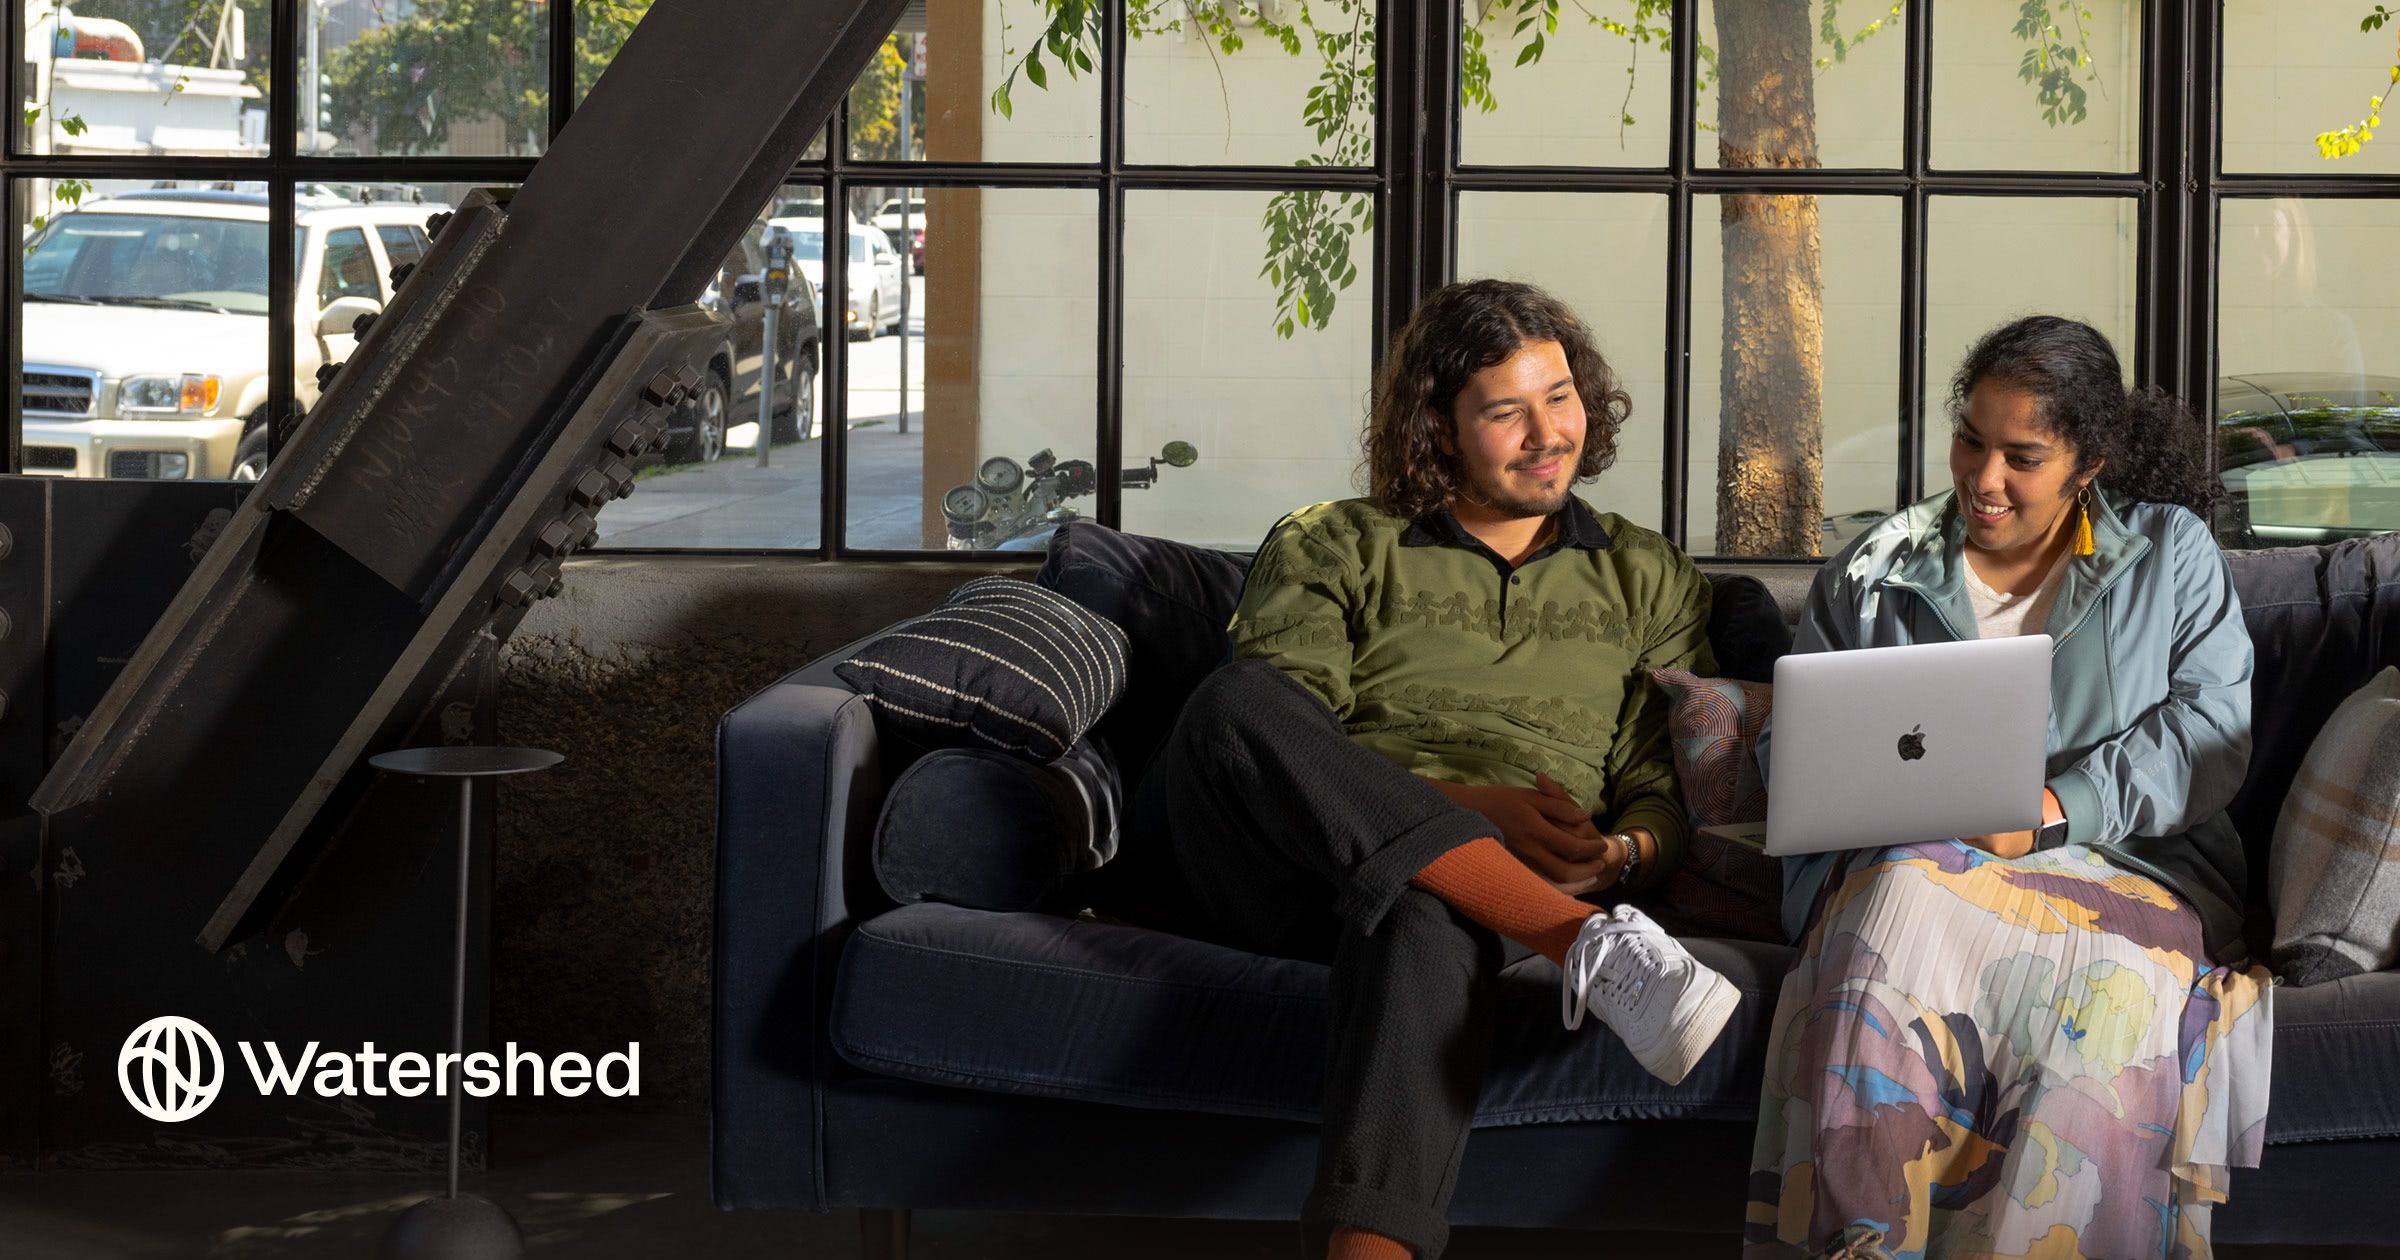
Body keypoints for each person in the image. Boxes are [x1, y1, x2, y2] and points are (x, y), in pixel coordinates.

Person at [1111, 279, 1737, 1260]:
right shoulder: (1335, 540)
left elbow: (1660, 785)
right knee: (1236, 700)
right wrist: (1467, 810)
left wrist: (1617, 856)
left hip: (1467, 902)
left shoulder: (1647, 573)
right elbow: (1278, 741)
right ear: (1438, 427)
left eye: (1560, 396)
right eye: (1505, 411)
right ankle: (1581, 945)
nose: (1548, 433)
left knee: (1422, 913)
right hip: (1281, 869)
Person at [1746, 315, 2273, 1259]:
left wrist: (2058, 808)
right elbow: (1799, 741)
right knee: (1898, 915)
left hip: (2122, 866)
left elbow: (2211, 734)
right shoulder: (1877, 569)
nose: (1984, 480)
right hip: (1914, 862)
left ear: (2089, 463)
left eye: (2021, 457)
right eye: (1971, 442)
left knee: (2102, 1002)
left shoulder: (2170, 554)